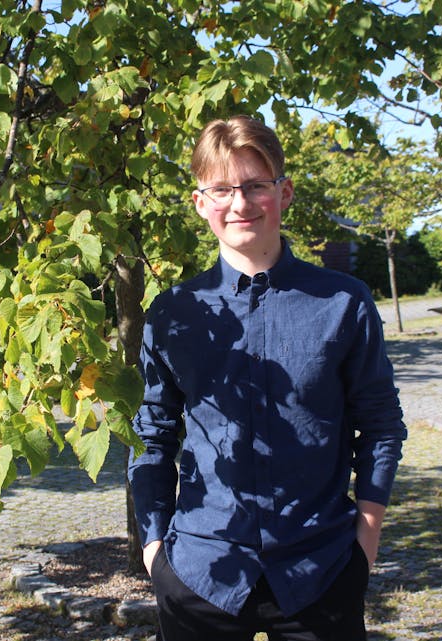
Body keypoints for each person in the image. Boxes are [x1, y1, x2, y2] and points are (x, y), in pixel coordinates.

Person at [127, 115, 407, 641]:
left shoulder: (344, 302)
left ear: (285, 192)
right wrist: (154, 550)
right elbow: (152, 434)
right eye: (223, 188)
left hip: (320, 569)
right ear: (200, 202)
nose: (240, 203)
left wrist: (363, 546)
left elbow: (381, 426)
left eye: (256, 185)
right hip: (199, 571)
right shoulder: (173, 313)